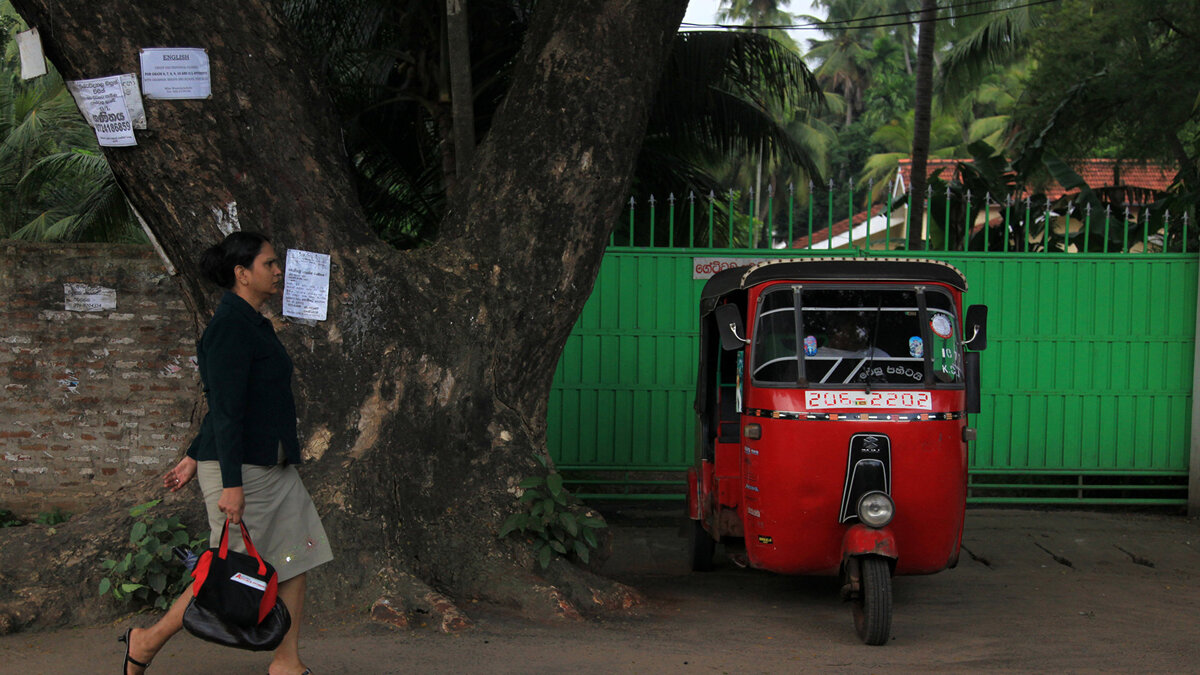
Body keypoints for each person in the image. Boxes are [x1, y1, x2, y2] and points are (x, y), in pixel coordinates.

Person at [119, 232, 332, 675]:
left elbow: (231, 402)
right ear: (242, 273)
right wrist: (229, 484)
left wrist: (195, 452)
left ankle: (286, 662)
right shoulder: (228, 328)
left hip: (270, 465)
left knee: (296, 557)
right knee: (222, 572)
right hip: (240, 473)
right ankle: (147, 641)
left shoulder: (253, 322)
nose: (278, 271)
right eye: (269, 264)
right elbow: (227, 409)